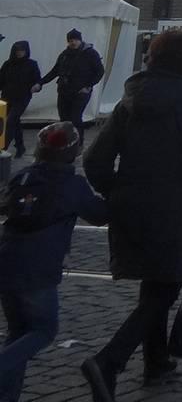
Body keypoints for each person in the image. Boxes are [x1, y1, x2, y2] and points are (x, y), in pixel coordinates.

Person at [80, 29, 182, 401]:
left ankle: (156, 360)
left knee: (154, 283)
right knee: (167, 286)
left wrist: (117, 190)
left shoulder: (132, 97)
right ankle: (109, 361)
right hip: (171, 207)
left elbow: (94, 159)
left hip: (129, 204)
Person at [0, 122, 108, 402]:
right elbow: (99, 215)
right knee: (44, 330)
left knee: (18, 331)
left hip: (7, 260)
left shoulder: (22, 176)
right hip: (40, 269)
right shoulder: (72, 185)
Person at [36, 30, 104, 138]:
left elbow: (99, 71)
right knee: (64, 119)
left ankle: (78, 143)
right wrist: (41, 82)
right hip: (64, 90)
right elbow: (55, 71)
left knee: (76, 118)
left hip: (81, 91)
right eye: (71, 40)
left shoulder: (90, 53)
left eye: (76, 40)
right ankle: (66, 143)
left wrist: (88, 86)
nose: (73, 42)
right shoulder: (64, 55)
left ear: (80, 40)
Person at [1, 42, 42, 158]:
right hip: (6, 97)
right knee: (13, 122)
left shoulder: (32, 64)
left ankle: (2, 149)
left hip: (22, 98)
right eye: (17, 51)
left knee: (10, 122)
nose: (19, 53)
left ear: (26, 51)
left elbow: (38, 80)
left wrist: (37, 86)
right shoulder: (7, 64)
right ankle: (20, 146)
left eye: (22, 51)